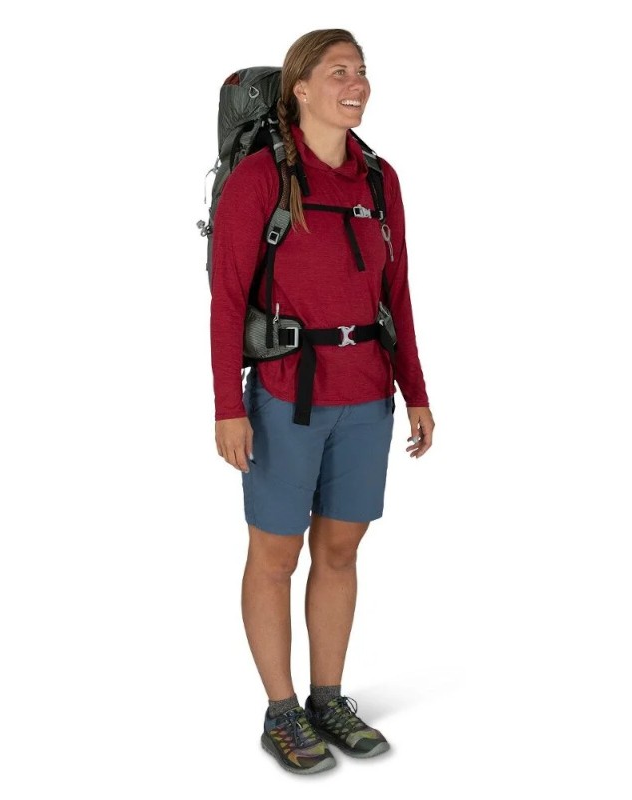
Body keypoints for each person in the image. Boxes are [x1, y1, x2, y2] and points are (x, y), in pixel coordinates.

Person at [210, 28, 435, 775]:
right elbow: (227, 299)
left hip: (366, 395)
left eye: (362, 70)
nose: (357, 83)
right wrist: (227, 405)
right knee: (275, 555)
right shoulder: (259, 181)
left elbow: (396, 293)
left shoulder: (379, 179)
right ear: (299, 89)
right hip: (285, 397)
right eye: (339, 71)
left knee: (340, 550)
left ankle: (327, 698)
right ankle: (281, 711)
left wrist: (415, 392)